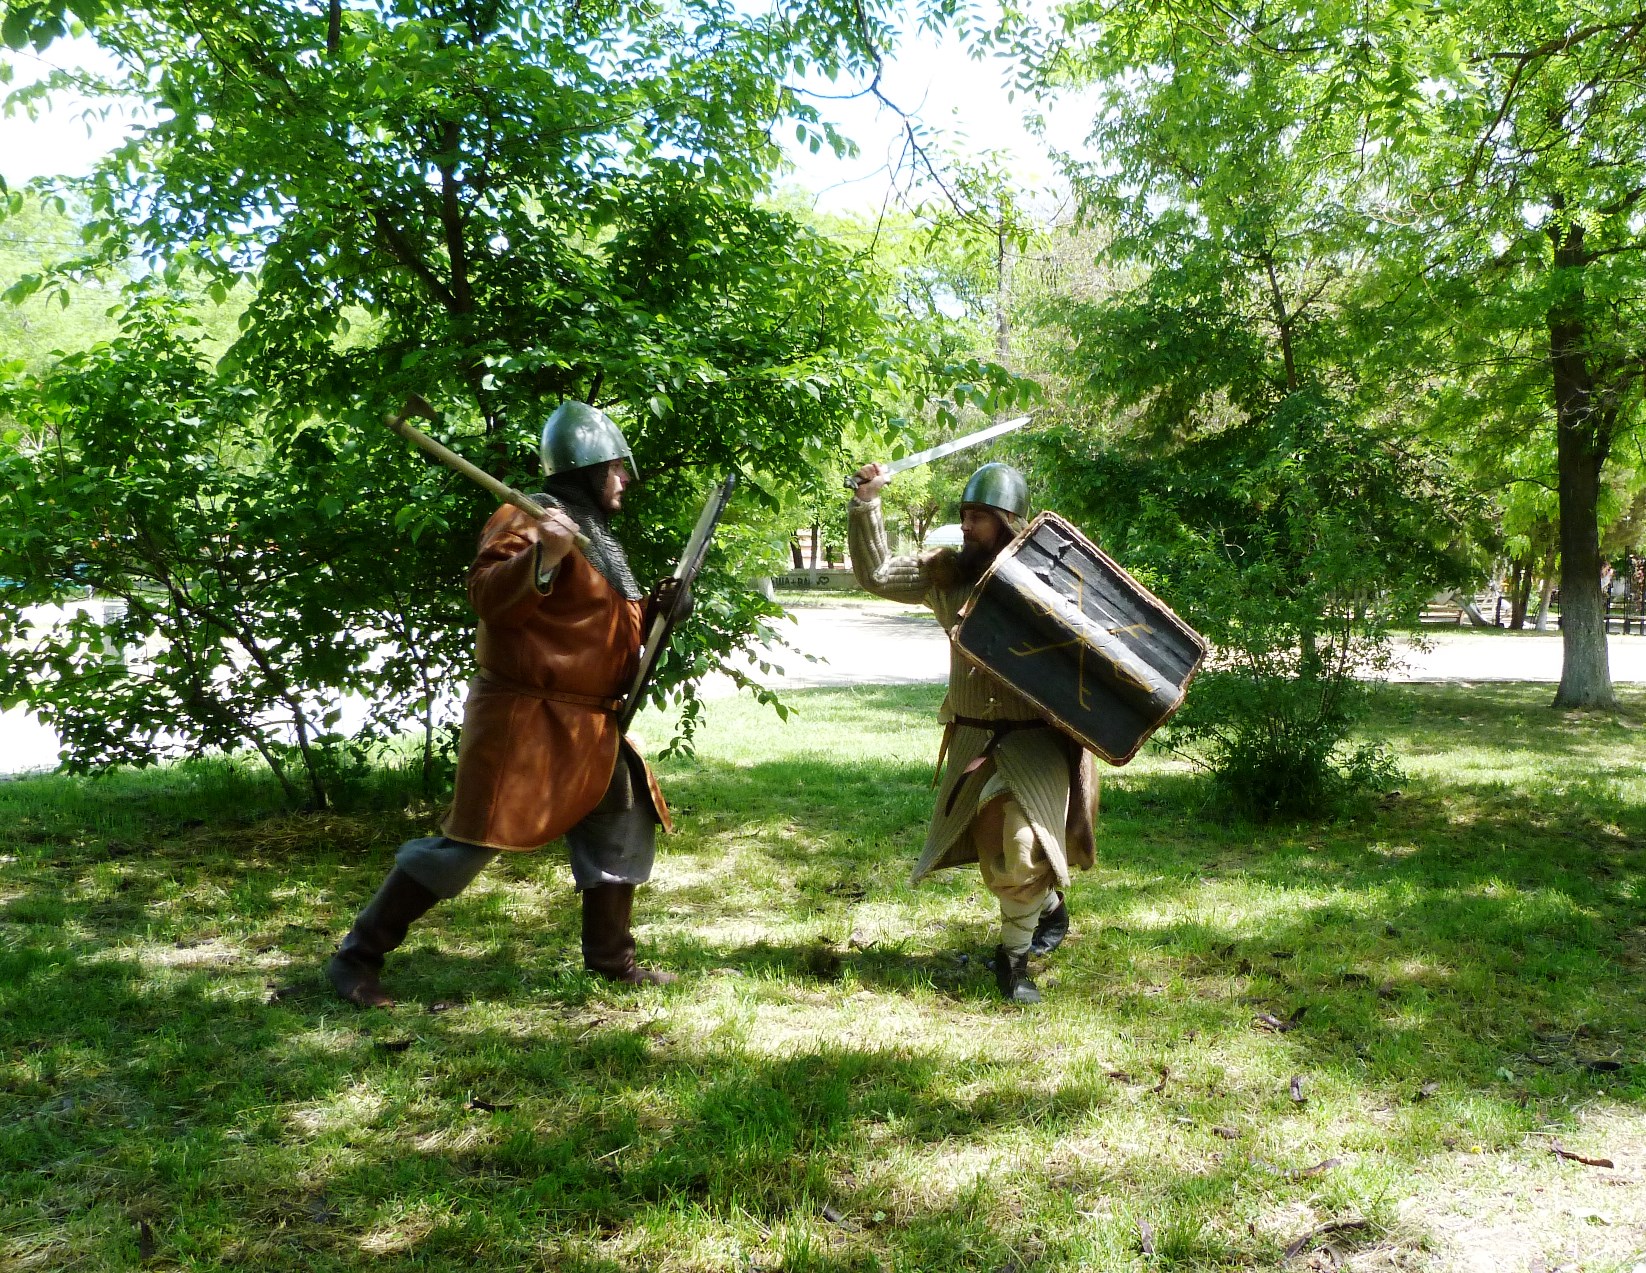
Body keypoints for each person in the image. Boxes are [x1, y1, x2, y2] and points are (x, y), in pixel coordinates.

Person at [326, 401, 685, 1007]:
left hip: (592, 721)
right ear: (586, 469)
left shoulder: (596, 538)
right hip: (528, 718)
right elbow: (491, 599)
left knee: (622, 823)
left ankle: (611, 960)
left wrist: (656, 612)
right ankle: (355, 958)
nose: (627, 480)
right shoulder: (522, 521)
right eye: (617, 469)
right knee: (468, 845)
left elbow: (593, 625)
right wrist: (541, 554)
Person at [848, 459, 1098, 1004]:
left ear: (1009, 521)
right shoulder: (948, 576)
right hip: (973, 739)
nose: (966, 526)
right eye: (963, 515)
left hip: (1036, 740)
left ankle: (1012, 961)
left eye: (979, 516)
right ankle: (1047, 908)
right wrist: (868, 502)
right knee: (996, 858)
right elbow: (877, 574)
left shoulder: (1053, 578)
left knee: (1021, 847)